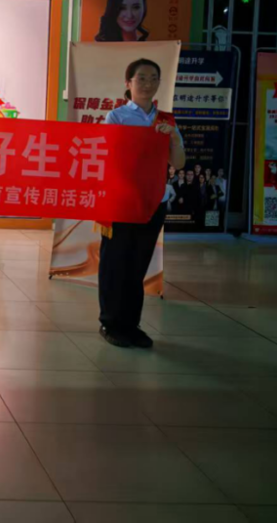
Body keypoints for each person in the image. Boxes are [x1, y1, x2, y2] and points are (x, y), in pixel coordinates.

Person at [98, 58, 185, 349]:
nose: (147, 84)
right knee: (115, 263)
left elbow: (179, 163)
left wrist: (173, 138)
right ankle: (110, 323)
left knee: (138, 265)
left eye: (153, 78)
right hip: (123, 202)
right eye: (141, 78)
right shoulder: (117, 117)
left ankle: (131, 324)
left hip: (153, 202)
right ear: (128, 83)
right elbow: (109, 158)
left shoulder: (166, 120)